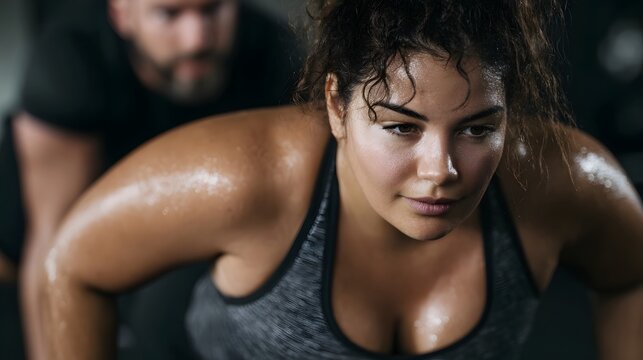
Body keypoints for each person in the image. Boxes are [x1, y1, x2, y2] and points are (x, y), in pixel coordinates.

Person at [39, 0, 643, 359]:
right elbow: (71, 264)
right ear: (336, 106)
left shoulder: (564, 182)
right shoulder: (245, 178)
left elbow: (629, 275)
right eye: (402, 128)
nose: (442, 171)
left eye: (478, 129)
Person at [0, 0, 301, 358]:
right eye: (169, 15)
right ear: (122, 15)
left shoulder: (272, 50)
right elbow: (51, 244)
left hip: (182, 247)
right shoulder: (73, 61)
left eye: (211, 11)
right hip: (29, 258)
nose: (196, 40)